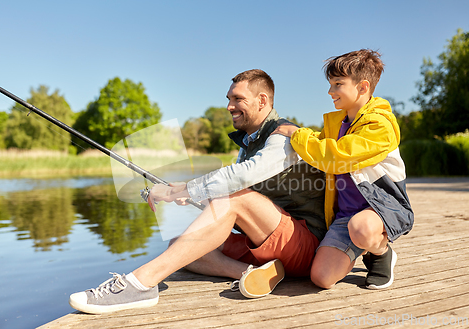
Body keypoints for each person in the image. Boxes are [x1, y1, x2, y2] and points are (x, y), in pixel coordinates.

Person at [69, 69, 327, 314]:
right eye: (229, 99)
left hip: (303, 244)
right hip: (268, 242)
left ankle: (139, 284)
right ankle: (255, 272)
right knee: (179, 246)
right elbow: (235, 199)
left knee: (236, 198)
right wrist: (186, 196)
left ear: (262, 100)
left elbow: (244, 177)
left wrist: (188, 189)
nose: (229, 107)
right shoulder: (249, 142)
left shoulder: (283, 136)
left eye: (238, 99)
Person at [274, 49, 414, 290]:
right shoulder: (338, 123)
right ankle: (363, 246)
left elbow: (336, 156)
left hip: (381, 208)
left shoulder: (380, 126)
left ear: (362, 87)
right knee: (321, 278)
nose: (330, 91)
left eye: (338, 84)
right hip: (345, 216)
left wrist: (297, 135)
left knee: (361, 229)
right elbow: (320, 142)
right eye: (330, 84)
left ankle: (380, 252)